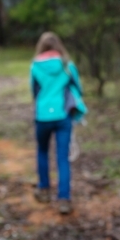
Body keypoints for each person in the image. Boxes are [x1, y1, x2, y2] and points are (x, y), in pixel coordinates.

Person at [30, 32, 85, 215]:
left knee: (42, 151)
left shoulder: (35, 66)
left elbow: (34, 91)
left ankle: (44, 190)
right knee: (62, 157)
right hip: (63, 116)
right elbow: (79, 89)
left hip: (42, 116)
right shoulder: (67, 65)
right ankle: (64, 200)